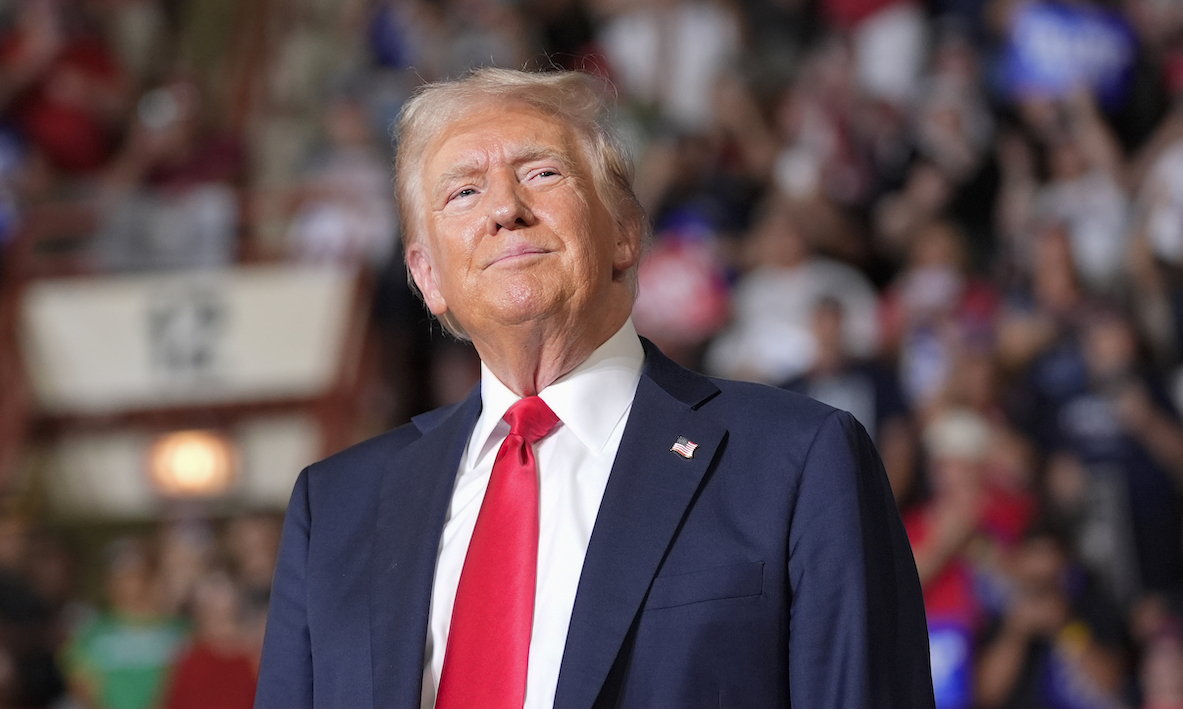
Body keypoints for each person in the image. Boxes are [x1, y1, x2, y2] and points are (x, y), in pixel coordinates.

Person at [255, 67, 934, 709]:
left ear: (623, 233)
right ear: (427, 276)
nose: (505, 209)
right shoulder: (335, 508)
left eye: (541, 173)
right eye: (463, 191)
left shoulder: (796, 461)